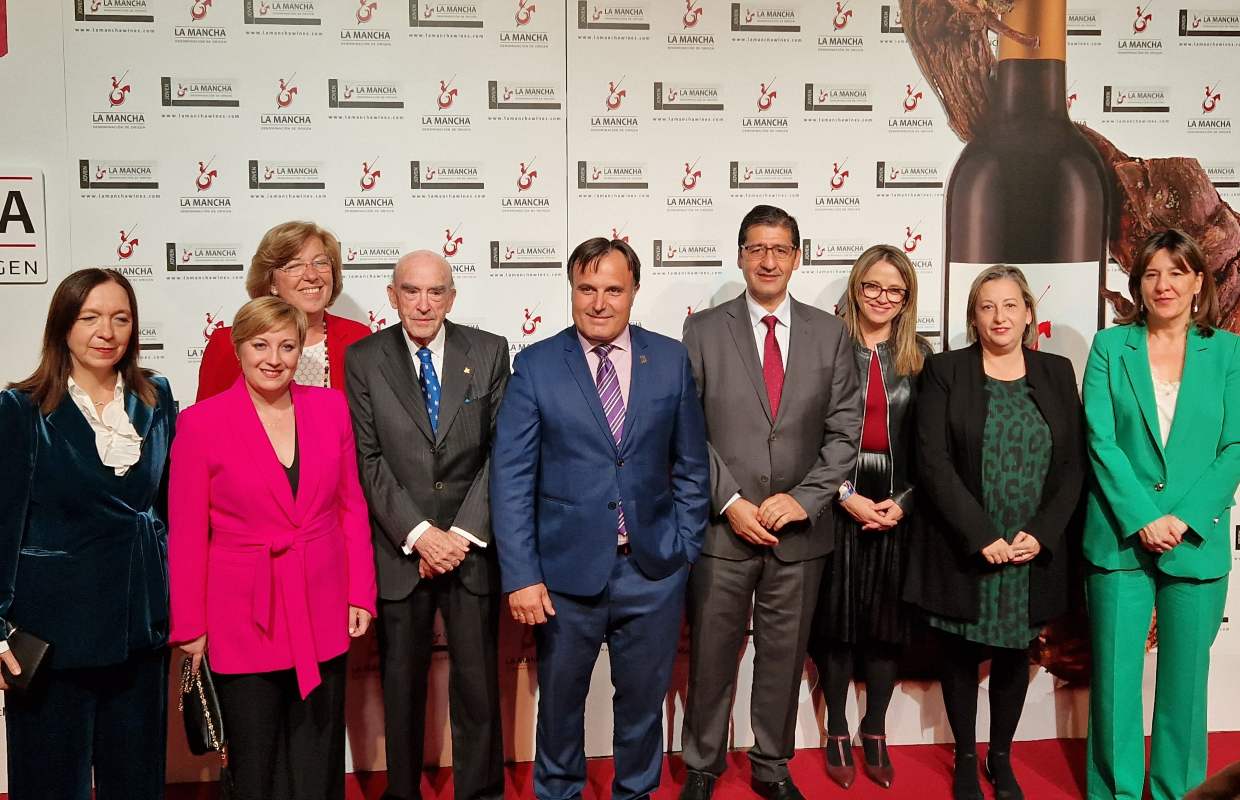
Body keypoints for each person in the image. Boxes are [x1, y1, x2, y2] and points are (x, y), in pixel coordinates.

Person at [491, 237, 710, 800]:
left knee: (642, 707)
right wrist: (521, 574)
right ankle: (558, 792)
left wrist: (684, 549)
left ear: (633, 292)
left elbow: (690, 465)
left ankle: (635, 792)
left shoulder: (668, 359)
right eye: (587, 289)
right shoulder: (536, 365)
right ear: (571, 291)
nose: (599, 302)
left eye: (613, 289)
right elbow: (512, 479)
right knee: (561, 708)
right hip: (564, 577)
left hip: (653, 570)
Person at [677, 206, 862, 800]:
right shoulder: (702, 331)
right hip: (722, 531)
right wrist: (728, 499)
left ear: (797, 257)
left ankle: (771, 765)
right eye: (756, 248)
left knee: (783, 659)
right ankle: (702, 766)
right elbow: (685, 431)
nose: (768, 260)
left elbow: (844, 434)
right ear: (739, 255)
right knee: (711, 658)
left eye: (780, 249)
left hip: (799, 534)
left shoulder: (831, 333)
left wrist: (804, 500)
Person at [170, 297, 377, 800]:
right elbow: (187, 534)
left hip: (321, 604)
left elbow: (351, 506)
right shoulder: (201, 423)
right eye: (260, 344)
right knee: (254, 761)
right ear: (238, 349)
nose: (274, 358)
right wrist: (191, 629)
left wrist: (360, 593)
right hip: (243, 613)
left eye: (287, 346)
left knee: (317, 757)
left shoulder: (330, 408)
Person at [906, 265, 1085, 800]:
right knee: (961, 652)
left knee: (1014, 653)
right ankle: (965, 756)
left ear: (1029, 313)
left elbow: (1074, 463)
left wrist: (1042, 532)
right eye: (987, 306)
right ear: (973, 316)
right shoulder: (945, 371)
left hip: (1032, 549)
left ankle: (1000, 757)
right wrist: (981, 533)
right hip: (969, 547)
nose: (999, 316)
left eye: (1010, 305)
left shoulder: (1056, 371)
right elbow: (932, 461)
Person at [0, 268, 177, 800]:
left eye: (120, 318)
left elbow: (170, 512)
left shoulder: (156, 398)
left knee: (138, 782)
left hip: (140, 629)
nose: (107, 331)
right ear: (63, 327)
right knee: (50, 783)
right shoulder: (20, 409)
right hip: (52, 633)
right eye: (90, 317)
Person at [1082, 229, 1240, 800]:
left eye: (1177, 271)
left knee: (1185, 688)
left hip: (1197, 542)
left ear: (1199, 281)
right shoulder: (1109, 346)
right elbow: (1101, 439)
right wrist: (1143, 516)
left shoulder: (1227, 351)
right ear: (1137, 284)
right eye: (1152, 273)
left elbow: (1235, 446)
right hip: (1121, 538)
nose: (1164, 284)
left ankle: (1178, 792)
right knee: (1117, 684)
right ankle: (1117, 792)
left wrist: (1184, 518)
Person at [345, 251, 509, 800]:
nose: (423, 303)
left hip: (471, 548)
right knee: (400, 684)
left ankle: (480, 791)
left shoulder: (488, 352)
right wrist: (418, 533)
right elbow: (367, 459)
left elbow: (500, 453)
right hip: (402, 549)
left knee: (479, 688)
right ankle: (402, 792)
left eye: (435, 291)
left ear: (452, 297)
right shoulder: (364, 358)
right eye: (410, 291)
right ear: (392, 296)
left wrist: (459, 535)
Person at [807, 244, 931, 790]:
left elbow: (932, 446)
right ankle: (837, 728)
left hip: (897, 504)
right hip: (838, 500)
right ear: (856, 289)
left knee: (886, 627)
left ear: (907, 300)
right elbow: (804, 436)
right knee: (837, 625)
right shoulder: (824, 348)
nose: (882, 299)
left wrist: (902, 502)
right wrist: (843, 493)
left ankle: (874, 729)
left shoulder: (921, 357)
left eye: (895, 291)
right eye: (872, 287)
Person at [196, 220, 369, 401]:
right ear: (271, 282)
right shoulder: (227, 343)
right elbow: (205, 422)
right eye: (294, 266)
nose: (311, 275)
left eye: (320, 263)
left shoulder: (358, 338)